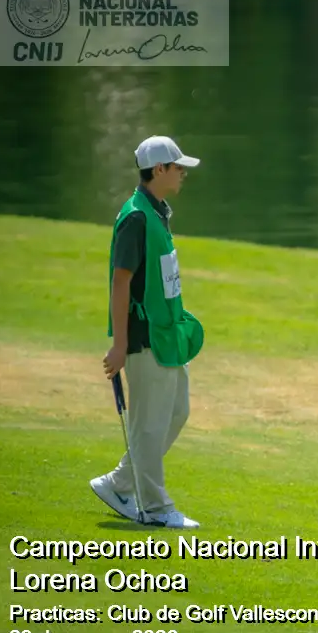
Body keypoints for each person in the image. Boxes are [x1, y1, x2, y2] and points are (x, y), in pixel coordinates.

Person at [89, 135, 205, 529]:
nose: (183, 173)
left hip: (167, 336)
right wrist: (120, 345)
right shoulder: (136, 217)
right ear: (159, 170)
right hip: (144, 338)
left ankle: (119, 483)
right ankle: (155, 508)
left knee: (176, 412)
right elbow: (121, 281)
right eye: (177, 167)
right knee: (150, 425)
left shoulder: (155, 212)